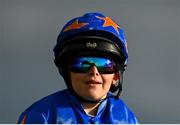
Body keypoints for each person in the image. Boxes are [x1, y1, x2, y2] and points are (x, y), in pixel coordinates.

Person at [18, 12, 138, 124]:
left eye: (104, 64)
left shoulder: (125, 117)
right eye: (82, 63)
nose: (94, 72)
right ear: (66, 71)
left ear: (116, 74)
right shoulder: (43, 115)